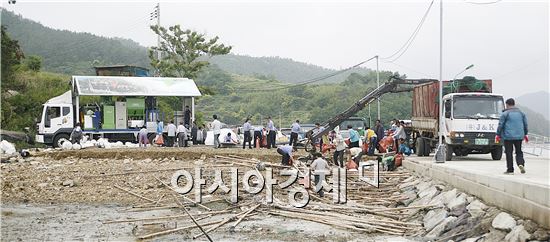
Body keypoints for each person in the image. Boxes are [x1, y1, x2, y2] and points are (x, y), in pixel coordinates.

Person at [497, 98, 528, 174]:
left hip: (508, 136)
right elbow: (525, 125)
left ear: (507, 105)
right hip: (519, 136)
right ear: (514, 104)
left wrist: (498, 134)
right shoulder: (521, 113)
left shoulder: (505, 114)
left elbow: (501, 125)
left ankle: (510, 170)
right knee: (519, 151)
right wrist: (525, 133)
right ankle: (521, 164)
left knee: (509, 152)